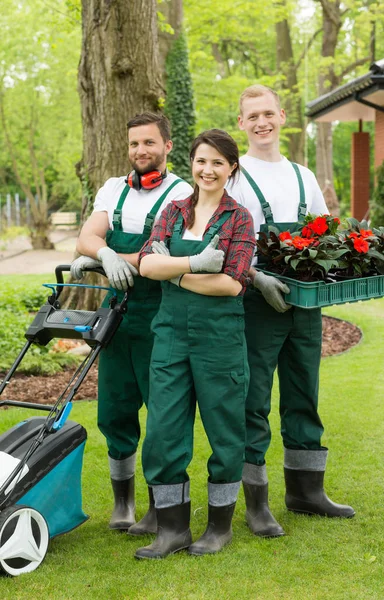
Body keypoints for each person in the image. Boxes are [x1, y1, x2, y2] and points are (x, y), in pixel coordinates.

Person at [227, 85, 355, 538]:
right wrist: (256, 278)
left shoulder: (303, 175)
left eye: (268, 113)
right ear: (241, 124)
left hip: (305, 304)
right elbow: (220, 242)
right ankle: (257, 503)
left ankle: (306, 492)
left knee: (304, 393)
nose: (261, 122)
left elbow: (324, 235)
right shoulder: (233, 178)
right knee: (254, 400)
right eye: (252, 116)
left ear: (282, 117)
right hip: (255, 303)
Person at [134, 129, 256, 559]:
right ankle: (172, 530)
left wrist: (176, 272)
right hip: (169, 336)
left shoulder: (239, 218)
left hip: (219, 340)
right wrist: (193, 264)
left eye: (218, 163)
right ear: (192, 163)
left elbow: (231, 283)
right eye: (202, 161)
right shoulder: (172, 211)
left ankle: (218, 528)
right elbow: (147, 265)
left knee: (225, 431)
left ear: (231, 169)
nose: (208, 169)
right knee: (164, 431)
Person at [70, 112, 193, 534]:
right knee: (115, 409)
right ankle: (122, 502)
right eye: (134, 144)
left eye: (149, 143)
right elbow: (87, 237)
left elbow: (160, 261)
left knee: (164, 413)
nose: (141, 151)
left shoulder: (183, 193)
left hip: (163, 318)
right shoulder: (112, 188)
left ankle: (162, 505)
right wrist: (100, 254)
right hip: (119, 318)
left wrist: (106, 254)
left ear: (167, 146)